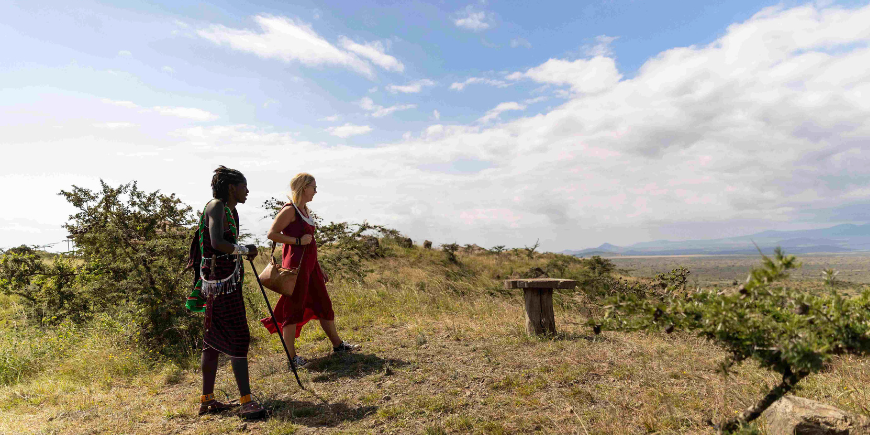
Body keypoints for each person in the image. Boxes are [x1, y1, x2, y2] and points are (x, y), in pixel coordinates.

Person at [188, 166, 265, 419]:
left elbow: (226, 245)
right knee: (239, 337)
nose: (247, 191)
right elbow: (217, 242)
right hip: (219, 282)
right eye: (244, 186)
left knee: (212, 341)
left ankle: (207, 401)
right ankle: (246, 402)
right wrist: (245, 249)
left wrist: (242, 252)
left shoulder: (231, 211)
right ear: (232, 187)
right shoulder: (217, 207)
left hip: (226, 280)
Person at [261, 172, 359, 367]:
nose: (316, 191)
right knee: (293, 310)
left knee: (324, 304)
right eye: (314, 187)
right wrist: (297, 241)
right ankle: (292, 359)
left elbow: (310, 244)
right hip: (296, 269)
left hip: (310, 268)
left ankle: (338, 345)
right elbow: (272, 234)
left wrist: (318, 268)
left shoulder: (305, 210)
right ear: (304, 188)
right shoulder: (290, 210)